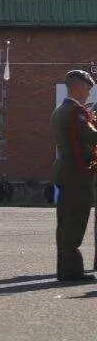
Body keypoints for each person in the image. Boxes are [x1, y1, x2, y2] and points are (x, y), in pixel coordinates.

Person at [52, 69, 97, 282]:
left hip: (67, 170)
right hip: (76, 172)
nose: (89, 93)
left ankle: (65, 268)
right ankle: (72, 271)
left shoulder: (63, 109)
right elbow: (91, 135)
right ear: (77, 86)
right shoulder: (74, 112)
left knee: (65, 221)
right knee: (75, 221)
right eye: (87, 88)